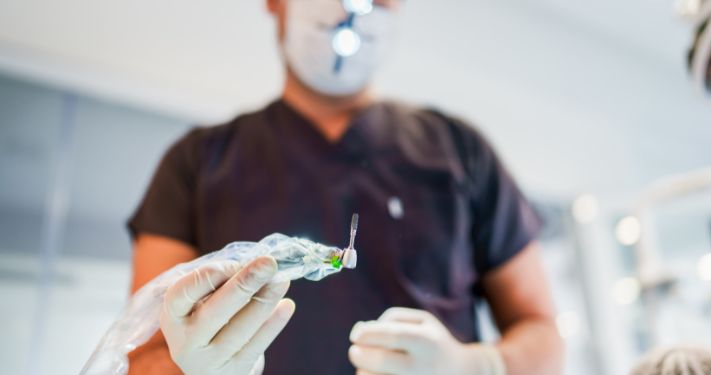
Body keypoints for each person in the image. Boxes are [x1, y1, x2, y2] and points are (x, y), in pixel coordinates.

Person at [126, 0, 563, 374]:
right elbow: (143, 356)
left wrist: (477, 367)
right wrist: (191, 368)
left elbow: (543, 335)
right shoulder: (198, 162)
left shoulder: (460, 152)